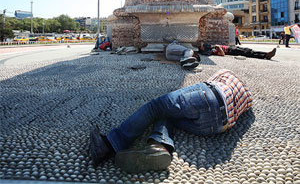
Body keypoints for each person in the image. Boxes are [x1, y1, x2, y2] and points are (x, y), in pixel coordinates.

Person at [89, 69, 253, 173]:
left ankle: (109, 144)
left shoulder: (225, 73)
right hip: (216, 127)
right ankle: (158, 147)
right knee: (169, 115)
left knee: (157, 107)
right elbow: (247, 111)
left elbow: (204, 85)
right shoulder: (247, 98)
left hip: (211, 96)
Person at [199, 43, 276, 60]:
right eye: (202, 46)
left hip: (231, 47)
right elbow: (222, 54)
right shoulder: (212, 51)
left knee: (248, 50)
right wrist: (219, 48)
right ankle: (266, 55)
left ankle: (266, 54)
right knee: (248, 53)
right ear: (203, 49)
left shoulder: (210, 46)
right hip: (231, 51)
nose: (203, 44)